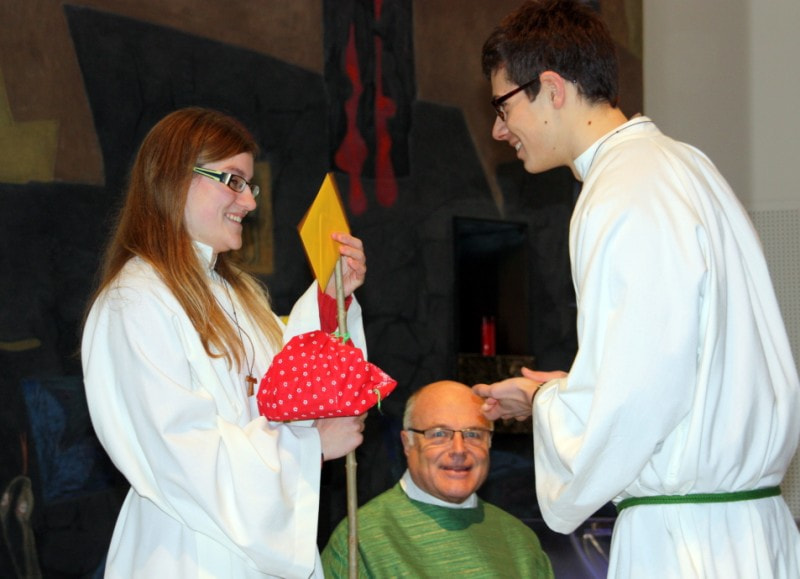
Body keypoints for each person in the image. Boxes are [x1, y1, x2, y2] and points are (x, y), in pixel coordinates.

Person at [472, 1, 800, 577]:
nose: (500, 130)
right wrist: (572, 390)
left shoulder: (624, 189)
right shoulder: (681, 165)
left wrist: (550, 406)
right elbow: (677, 365)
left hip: (687, 546)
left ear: (552, 89)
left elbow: (639, 397)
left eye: (504, 106)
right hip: (741, 534)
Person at [81, 107, 369, 578]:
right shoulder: (135, 300)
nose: (250, 202)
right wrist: (309, 448)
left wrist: (330, 299)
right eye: (233, 181)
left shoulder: (237, 295)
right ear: (174, 178)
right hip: (188, 551)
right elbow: (182, 455)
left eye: (249, 185)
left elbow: (287, 391)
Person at [321, 380, 553, 578]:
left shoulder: (519, 541)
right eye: (439, 434)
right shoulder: (360, 539)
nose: (459, 449)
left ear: (489, 443)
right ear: (407, 443)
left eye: (473, 434)